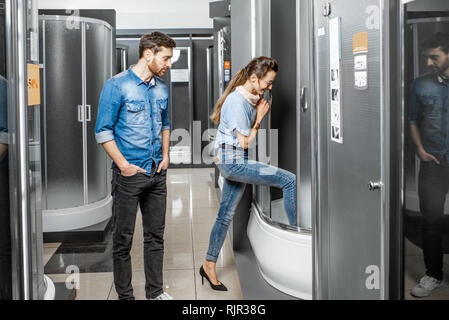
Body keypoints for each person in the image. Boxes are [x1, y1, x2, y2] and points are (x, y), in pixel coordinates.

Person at [200, 57, 297, 291]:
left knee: (225, 214)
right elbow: (245, 143)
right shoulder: (237, 101)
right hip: (233, 161)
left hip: (233, 160)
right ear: (254, 78)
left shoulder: (247, 98)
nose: (270, 87)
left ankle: (208, 264)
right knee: (289, 180)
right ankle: (296, 240)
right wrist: (259, 119)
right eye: (268, 82)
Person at [95, 32, 175, 300]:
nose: (168, 64)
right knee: (123, 241)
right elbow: (103, 131)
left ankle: (154, 293)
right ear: (148, 54)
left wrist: (165, 156)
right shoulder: (117, 85)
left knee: (155, 238)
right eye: (165, 58)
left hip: (157, 173)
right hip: (128, 176)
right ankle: (125, 296)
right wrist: (124, 166)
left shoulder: (162, 87)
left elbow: (165, 124)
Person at [409, 32, 449, 298]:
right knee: (431, 220)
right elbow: (412, 119)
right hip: (433, 162)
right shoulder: (420, 85)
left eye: (434, 57)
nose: (429, 63)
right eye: (427, 57)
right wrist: (420, 150)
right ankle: (433, 274)